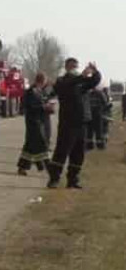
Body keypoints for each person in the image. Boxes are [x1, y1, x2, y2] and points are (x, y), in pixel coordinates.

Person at [47, 59, 101, 189]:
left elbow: (94, 81)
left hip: (82, 122)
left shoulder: (81, 82)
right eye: (73, 67)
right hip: (68, 123)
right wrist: (80, 77)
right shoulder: (62, 81)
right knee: (62, 152)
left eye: (76, 67)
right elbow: (66, 86)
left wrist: (95, 71)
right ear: (67, 67)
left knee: (78, 154)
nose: (75, 69)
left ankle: (73, 179)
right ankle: (54, 179)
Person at [17, 73, 52, 175]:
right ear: (42, 81)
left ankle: (22, 167)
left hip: (39, 120)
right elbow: (31, 107)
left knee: (30, 146)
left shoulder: (40, 91)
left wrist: (47, 108)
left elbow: (42, 103)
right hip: (33, 122)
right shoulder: (32, 92)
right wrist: (43, 107)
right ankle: (49, 167)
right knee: (41, 144)